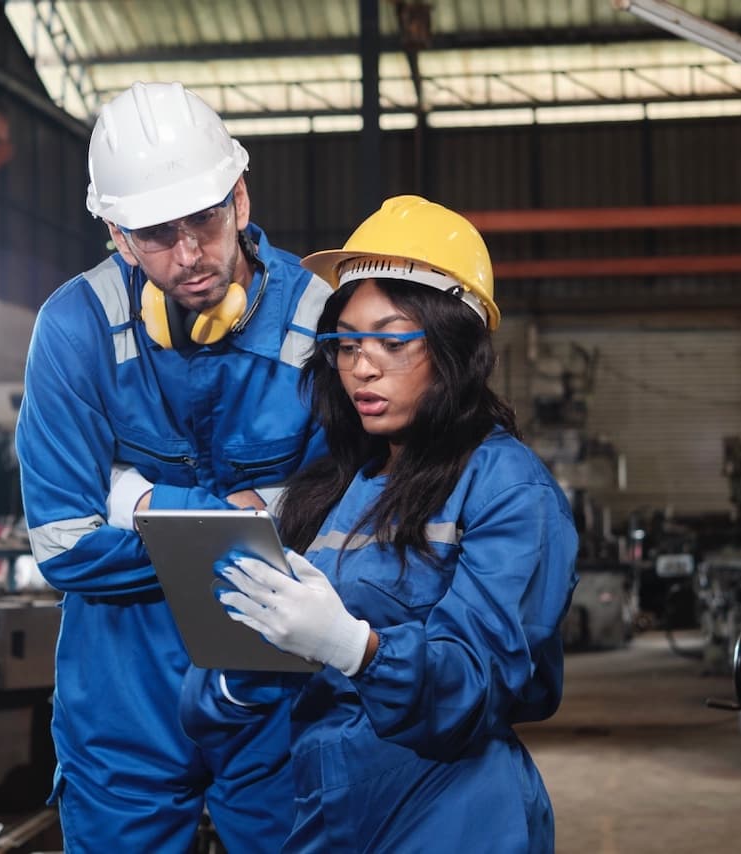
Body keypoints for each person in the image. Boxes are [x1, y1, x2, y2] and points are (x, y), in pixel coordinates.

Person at [182, 195, 579, 852]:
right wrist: (238, 670)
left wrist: (353, 648)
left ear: (456, 345)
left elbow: (476, 688)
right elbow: (214, 706)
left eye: (392, 339)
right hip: (327, 813)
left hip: (454, 814)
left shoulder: (507, 487)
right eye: (346, 343)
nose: (361, 366)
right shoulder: (334, 489)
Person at [15, 81, 331, 852]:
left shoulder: (319, 318)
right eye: (157, 234)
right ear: (119, 238)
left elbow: (340, 525)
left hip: (278, 691)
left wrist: (134, 499)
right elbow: (62, 545)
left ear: (241, 200)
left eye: (205, 219)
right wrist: (249, 516)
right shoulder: (74, 329)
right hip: (123, 697)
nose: (189, 255)